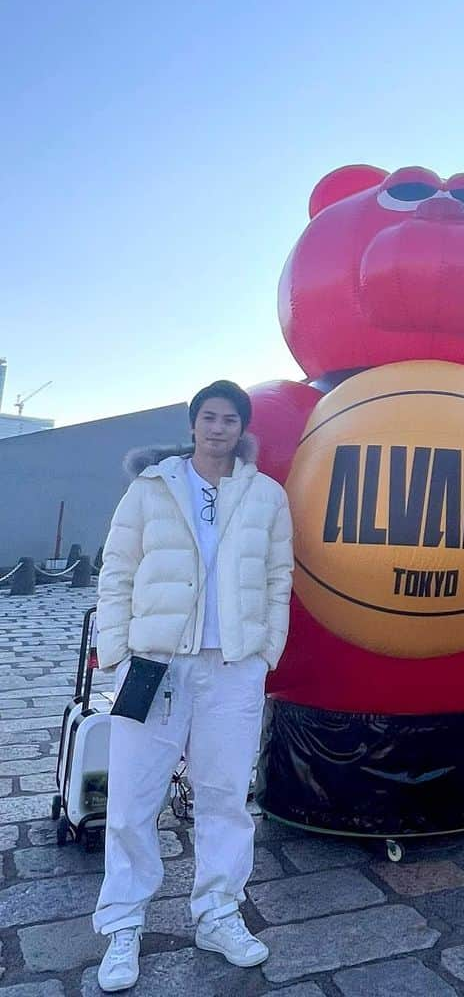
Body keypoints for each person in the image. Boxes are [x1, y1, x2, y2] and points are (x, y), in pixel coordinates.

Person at [93, 381, 294, 992]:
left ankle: (218, 913)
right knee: (131, 800)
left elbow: (278, 575)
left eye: (229, 419)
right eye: (208, 417)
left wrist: (265, 652)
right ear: (192, 425)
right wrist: (119, 651)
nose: (218, 428)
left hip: (232, 669)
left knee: (226, 796)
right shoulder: (152, 488)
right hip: (154, 664)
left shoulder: (266, 495)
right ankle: (124, 923)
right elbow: (117, 569)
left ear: (242, 429)